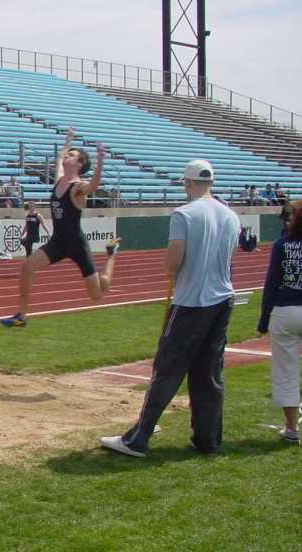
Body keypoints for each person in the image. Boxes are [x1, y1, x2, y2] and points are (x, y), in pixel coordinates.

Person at [100, 160, 241, 457]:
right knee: (209, 373)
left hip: (191, 302)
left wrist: (174, 268)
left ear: (189, 183)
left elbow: (172, 264)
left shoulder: (183, 214)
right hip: (222, 300)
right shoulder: (231, 216)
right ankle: (208, 440)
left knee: (166, 370)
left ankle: (138, 438)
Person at [0, 128, 121, 327]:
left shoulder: (78, 188)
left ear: (80, 163)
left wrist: (100, 159)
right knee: (27, 266)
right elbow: (59, 159)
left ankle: (112, 254)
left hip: (76, 245)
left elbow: (93, 186)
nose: (67, 156)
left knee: (98, 293)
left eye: (72, 155)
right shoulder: (58, 182)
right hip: (58, 242)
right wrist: (67, 142)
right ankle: (21, 316)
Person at [257, 200, 302, 444]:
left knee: (286, 371)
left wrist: (264, 320)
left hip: (285, 310)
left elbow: (271, 284)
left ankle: (292, 428)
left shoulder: (282, 245)